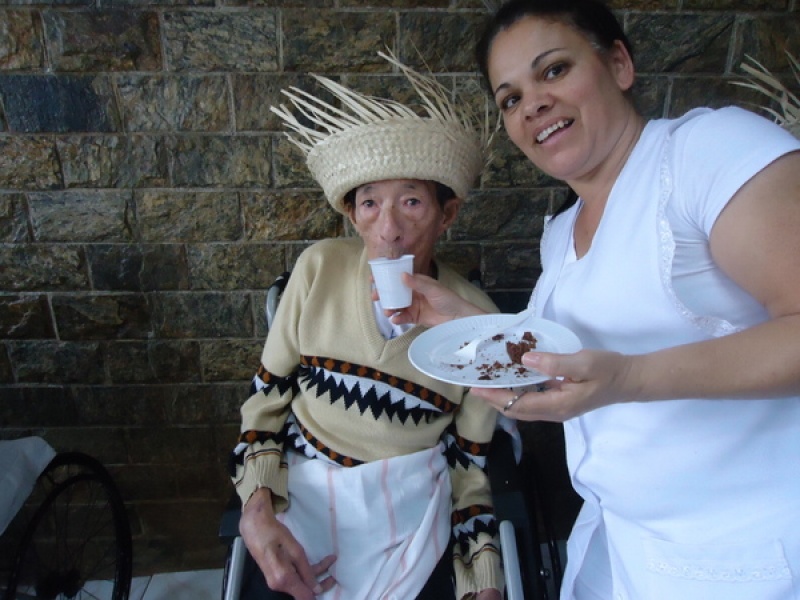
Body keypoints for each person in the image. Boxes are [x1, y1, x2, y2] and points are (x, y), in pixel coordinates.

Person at [388, 0, 800, 598]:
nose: (532, 103)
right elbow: (566, 358)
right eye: (510, 97)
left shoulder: (706, 153)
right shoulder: (563, 233)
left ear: (619, 64)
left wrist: (630, 378)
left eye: (553, 70)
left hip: (743, 554)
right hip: (621, 544)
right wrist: (470, 323)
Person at [229, 52, 504, 600]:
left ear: (447, 214)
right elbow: (266, 403)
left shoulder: (477, 320)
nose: (390, 230)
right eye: (370, 204)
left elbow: (468, 466)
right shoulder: (317, 269)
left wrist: (483, 578)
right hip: (305, 486)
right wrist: (256, 510)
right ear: (352, 214)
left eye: (411, 202)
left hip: (406, 510)